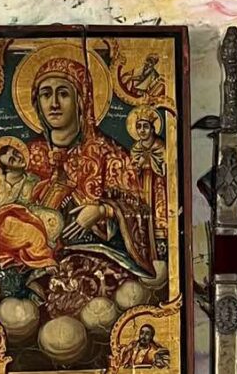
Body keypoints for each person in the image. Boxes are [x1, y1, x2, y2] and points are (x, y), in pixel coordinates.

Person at [24, 56, 157, 279]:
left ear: (81, 101)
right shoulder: (26, 155)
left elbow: (142, 211)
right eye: (46, 94)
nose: (54, 104)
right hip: (33, 260)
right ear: (37, 103)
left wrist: (104, 211)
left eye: (63, 94)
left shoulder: (110, 155)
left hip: (98, 261)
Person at [0, 136, 59, 270]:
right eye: (12, 160)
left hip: (24, 219)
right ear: (7, 169)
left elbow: (40, 198)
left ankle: (33, 253)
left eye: (16, 153)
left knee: (52, 221)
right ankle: (45, 260)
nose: (18, 158)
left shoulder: (32, 179)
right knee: (30, 232)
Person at [129, 106, 168, 250]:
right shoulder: (135, 149)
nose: (142, 130)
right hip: (141, 191)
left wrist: (153, 162)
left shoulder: (160, 147)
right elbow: (130, 174)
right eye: (138, 127)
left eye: (145, 126)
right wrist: (138, 165)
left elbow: (166, 171)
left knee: (158, 220)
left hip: (157, 189)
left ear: (152, 129)